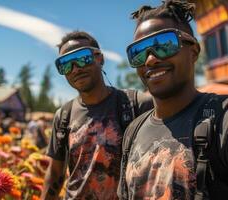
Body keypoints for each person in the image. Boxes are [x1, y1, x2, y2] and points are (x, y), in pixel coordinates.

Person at [118, 1, 228, 199]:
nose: (150, 59)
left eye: (164, 45)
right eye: (138, 52)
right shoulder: (132, 132)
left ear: (194, 51)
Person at [41, 31, 153, 200]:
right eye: (65, 64)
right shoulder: (64, 115)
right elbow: (55, 172)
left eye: (82, 58)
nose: (76, 68)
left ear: (99, 58)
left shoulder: (136, 104)